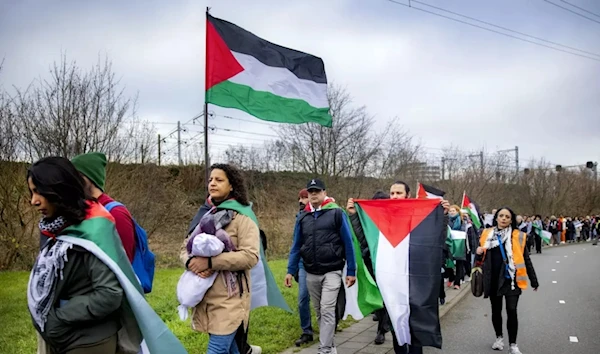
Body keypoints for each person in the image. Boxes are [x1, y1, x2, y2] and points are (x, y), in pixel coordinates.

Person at [28, 157, 125, 354]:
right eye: (31, 192)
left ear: (60, 190)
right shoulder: (53, 229)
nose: (34, 201)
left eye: (39, 191)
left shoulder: (93, 231)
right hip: (61, 338)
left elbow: (109, 295)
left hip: (89, 341)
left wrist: (58, 317)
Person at [181, 163, 260, 354]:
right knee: (233, 351)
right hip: (205, 295)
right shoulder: (206, 215)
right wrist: (190, 262)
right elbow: (185, 247)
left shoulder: (243, 217)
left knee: (216, 350)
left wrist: (210, 262)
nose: (212, 184)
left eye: (219, 180)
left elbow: (250, 256)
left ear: (231, 185)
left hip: (230, 298)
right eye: (210, 180)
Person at [285, 178, 356, 354]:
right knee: (319, 310)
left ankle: (324, 349)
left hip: (332, 270)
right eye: (311, 192)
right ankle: (330, 346)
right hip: (310, 272)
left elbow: (348, 243)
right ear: (307, 195)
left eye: (317, 191)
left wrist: (352, 270)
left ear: (324, 193)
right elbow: (296, 245)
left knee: (327, 309)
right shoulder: (303, 217)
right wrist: (290, 270)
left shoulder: (337, 213)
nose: (314, 194)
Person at [475, 207, 539, 354]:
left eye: (507, 217)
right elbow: (480, 259)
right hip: (493, 278)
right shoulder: (486, 234)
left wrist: (534, 280)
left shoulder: (518, 236)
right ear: (496, 218)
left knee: (512, 310)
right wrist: (478, 253)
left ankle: (513, 345)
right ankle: (499, 339)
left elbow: (526, 259)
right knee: (496, 311)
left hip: (511, 279)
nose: (504, 218)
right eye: (501, 216)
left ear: (511, 220)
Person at [71, 152, 136, 261]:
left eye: (76, 176)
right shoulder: (80, 210)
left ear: (90, 179)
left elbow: (125, 264)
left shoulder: (116, 214)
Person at [347, 191, 390, 345]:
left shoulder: (393, 218)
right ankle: (382, 322)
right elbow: (360, 236)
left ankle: (382, 329)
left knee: (386, 296)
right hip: (371, 261)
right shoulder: (367, 219)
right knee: (376, 293)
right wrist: (353, 215)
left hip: (389, 264)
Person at [294, 188, 314, 347]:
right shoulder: (299, 217)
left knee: (323, 301)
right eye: (300, 198)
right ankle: (307, 331)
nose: (301, 201)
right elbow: (295, 243)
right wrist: (291, 267)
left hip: (322, 264)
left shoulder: (328, 213)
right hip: (303, 264)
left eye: (304, 198)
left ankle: (330, 325)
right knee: (302, 299)